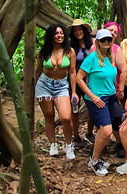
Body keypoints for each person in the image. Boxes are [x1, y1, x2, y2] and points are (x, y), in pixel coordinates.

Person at [77, 29, 121, 176]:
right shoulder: (92, 58)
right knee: (107, 131)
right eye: (103, 40)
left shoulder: (110, 57)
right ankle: (95, 161)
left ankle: (96, 157)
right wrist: (93, 97)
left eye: (109, 39)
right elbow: (78, 78)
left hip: (110, 97)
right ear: (98, 42)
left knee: (103, 130)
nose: (107, 42)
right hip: (97, 99)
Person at [35, 24, 78, 160]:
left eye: (61, 33)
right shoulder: (43, 52)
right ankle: (53, 144)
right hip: (44, 85)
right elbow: (38, 70)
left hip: (61, 86)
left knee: (66, 117)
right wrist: (33, 87)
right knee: (49, 116)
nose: (59, 35)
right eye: (56, 33)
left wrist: (74, 92)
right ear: (51, 36)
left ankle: (68, 144)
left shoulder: (69, 51)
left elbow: (72, 73)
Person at [91, 22, 127, 156]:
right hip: (96, 92)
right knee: (100, 120)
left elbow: (123, 71)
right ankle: (99, 147)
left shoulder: (116, 50)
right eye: (109, 30)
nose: (112, 34)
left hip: (113, 90)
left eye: (115, 32)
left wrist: (120, 90)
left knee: (117, 117)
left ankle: (119, 143)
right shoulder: (93, 50)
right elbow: (87, 73)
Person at [69, 18, 93, 148]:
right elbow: (71, 70)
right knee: (75, 108)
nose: (78, 32)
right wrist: (73, 90)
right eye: (75, 31)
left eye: (80, 30)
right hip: (75, 82)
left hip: (91, 82)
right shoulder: (71, 48)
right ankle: (76, 136)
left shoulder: (93, 44)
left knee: (92, 108)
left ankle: (89, 133)